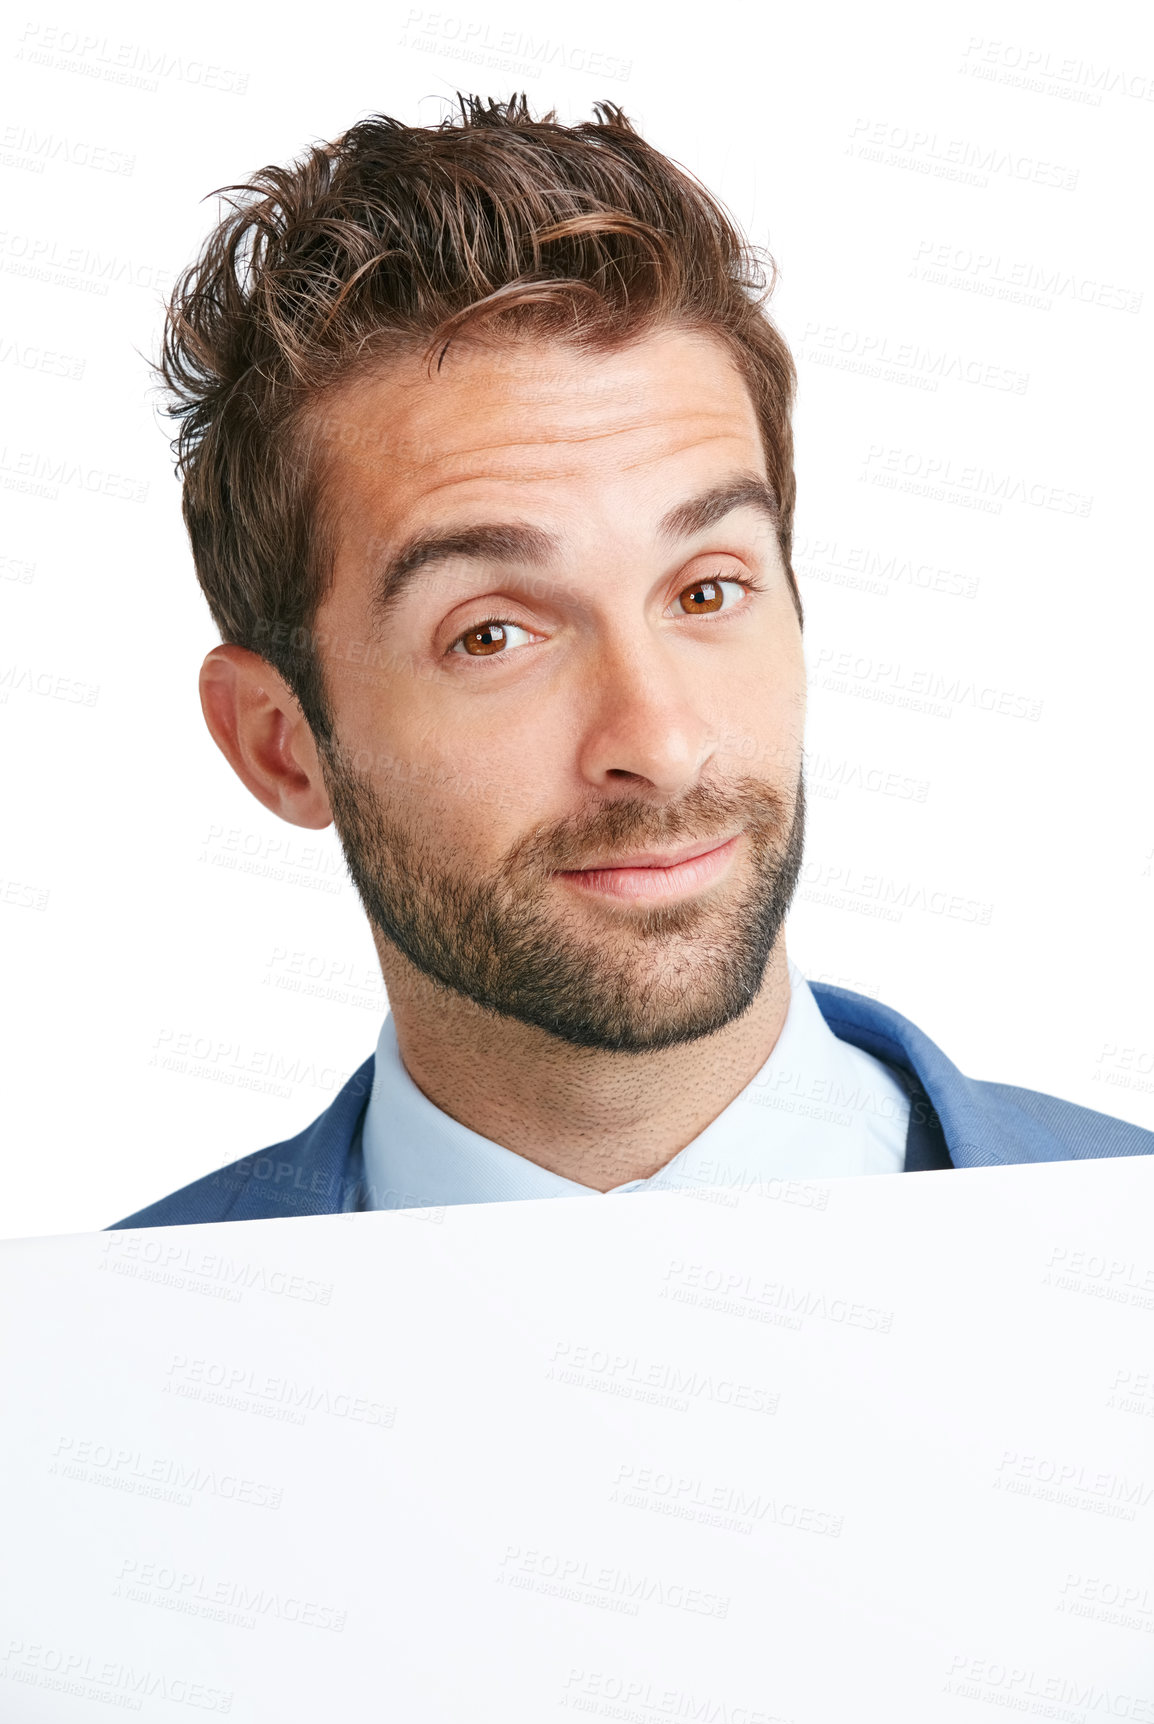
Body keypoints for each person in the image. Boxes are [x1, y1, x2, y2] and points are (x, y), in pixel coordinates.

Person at [115, 97, 1153, 1231]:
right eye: (491, 634)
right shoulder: (68, 1380)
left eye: (705, 591)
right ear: (281, 743)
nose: (656, 744)